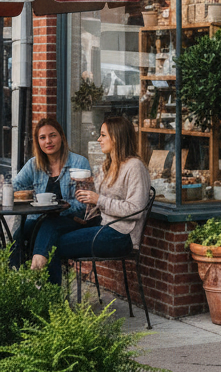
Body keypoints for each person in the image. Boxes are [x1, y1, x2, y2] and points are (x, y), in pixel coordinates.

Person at [31, 116, 150, 284]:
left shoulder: (135, 166)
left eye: (103, 135)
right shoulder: (108, 165)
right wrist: (88, 199)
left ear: (116, 137)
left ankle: (49, 298)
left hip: (121, 235)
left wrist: (97, 199)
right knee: (50, 223)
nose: (98, 139)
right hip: (101, 224)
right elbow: (99, 201)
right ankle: (38, 266)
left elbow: (135, 209)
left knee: (53, 245)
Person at [12, 118, 90, 263]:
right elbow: (15, 187)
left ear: (61, 136)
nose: (48, 141)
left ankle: (38, 276)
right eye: (43, 137)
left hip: (71, 219)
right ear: (38, 142)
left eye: (52, 135)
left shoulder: (79, 163)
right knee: (19, 235)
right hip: (39, 220)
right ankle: (15, 281)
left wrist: (58, 209)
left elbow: (84, 203)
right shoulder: (33, 164)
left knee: (49, 228)